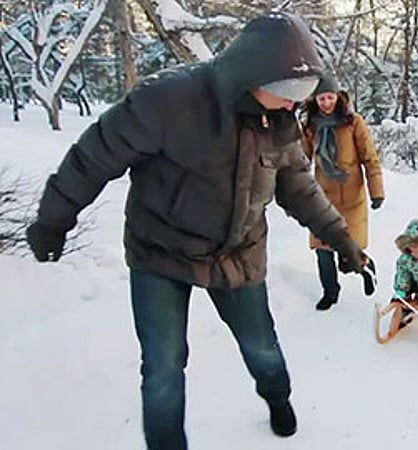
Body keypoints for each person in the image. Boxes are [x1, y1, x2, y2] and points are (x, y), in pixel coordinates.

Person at [24, 12, 366, 449]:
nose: (292, 102)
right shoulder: (168, 101)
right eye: (284, 92)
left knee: (261, 348)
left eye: (300, 92)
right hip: (160, 253)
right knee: (163, 367)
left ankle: (278, 398)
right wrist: (53, 222)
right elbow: (94, 157)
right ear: (250, 72)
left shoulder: (280, 123)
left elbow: (299, 188)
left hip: (238, 254)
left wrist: (341, 240)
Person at [300, 74, 385, 311]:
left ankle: (367, 268)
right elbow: (301, 159)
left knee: (348, 251)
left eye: (330, 97)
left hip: (351, 195)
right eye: (321, 98)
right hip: (322, 199)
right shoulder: (310, 126)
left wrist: (376, 190)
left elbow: (370, 158)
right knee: (322, 250)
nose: (326, 103)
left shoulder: (353, 122)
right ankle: (330, 292)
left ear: (338, 97)